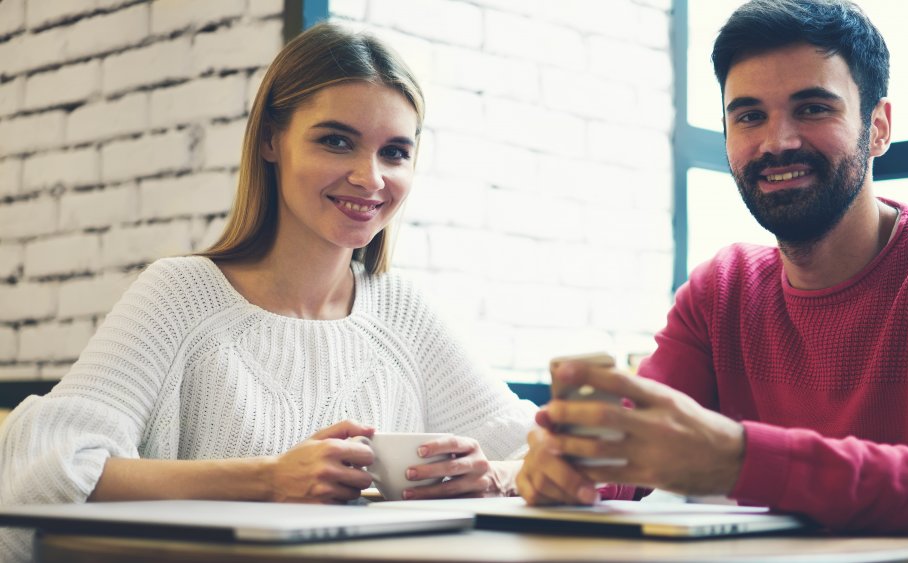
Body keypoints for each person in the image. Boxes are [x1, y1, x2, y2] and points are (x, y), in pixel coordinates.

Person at [0, 23, 536, 561]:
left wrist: (493, 477)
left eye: (394, 152)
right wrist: (269, 479)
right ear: (270, 140)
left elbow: (534, 453)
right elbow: (48, 466)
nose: (369, 177)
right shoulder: (179, 295)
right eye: (336, 141)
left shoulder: (402, 312)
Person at [516, 1, 908, 561]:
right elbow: (623, 449)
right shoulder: (722, 291)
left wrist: (741, 459)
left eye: (813, 108)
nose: (777, 142)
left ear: (878, 127)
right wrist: (571, 469)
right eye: (748, 116)